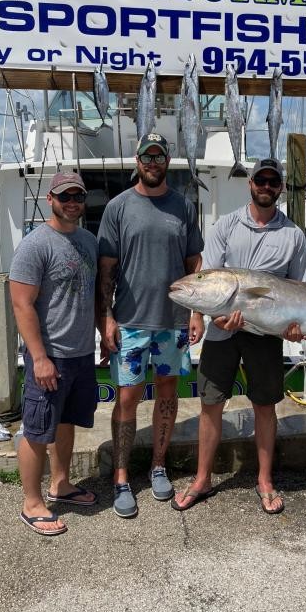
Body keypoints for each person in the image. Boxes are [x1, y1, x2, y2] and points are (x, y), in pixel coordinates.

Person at [172, 157, 306, 515]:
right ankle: (202, 478)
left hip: (265, 332)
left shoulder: (293, 235)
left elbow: (299, 289)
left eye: (273, 182)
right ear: (250, 184)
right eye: (260, 180)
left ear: (281, 188)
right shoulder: (226, 225)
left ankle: (264, 480)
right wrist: (201, 314)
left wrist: (295, 326)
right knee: (211, 404)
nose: (266, 187)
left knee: (264, 405)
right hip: (222, 331)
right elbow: (207, 280)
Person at [97, 132, 204, 518]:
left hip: (173, 321)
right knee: (127, 397)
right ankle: (121, 477)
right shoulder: (118, 207)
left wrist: (197, 311)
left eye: (159, 157)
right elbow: (106, 270)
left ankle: (159, 465)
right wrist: (106, 317)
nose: (153, 163)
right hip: (130, 322)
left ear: (168, 161)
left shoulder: (183, 206)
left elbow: (194, 263)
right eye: (147, 156)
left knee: (168, 393)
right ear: (137, 160)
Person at [9, 171, 99, 536]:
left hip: (82, 352)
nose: (72, 202)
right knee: (36, 428)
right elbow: (21, 304)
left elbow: (93, 294)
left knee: (66, 421)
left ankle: (60, 484)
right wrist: (40, 357)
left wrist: (103, 333)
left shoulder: (89, 241)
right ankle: (31, 503)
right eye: (65, 196)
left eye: (78, 196)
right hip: (49, 355)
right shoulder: (35, 245)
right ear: (51, 200)